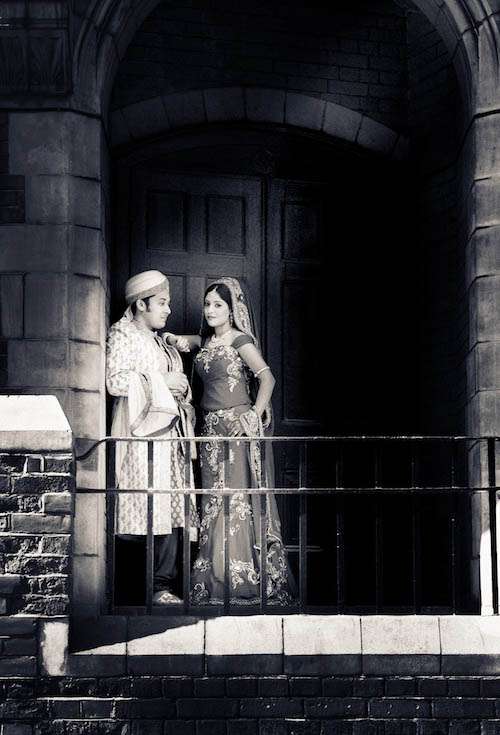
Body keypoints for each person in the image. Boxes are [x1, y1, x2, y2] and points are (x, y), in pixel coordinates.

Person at [165, 277, 295, 606]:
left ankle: (242, 580)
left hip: (236, 430)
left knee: (237, 501)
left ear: (232, 309)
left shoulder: (240, 340)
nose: (210, 310)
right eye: (207, 304)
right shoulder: (205, 341)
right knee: (214, 502)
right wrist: (166, 337)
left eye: (218, 305)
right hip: (210, 432)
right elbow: (179, 341)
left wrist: (252, 416)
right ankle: (213, 579)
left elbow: (267, 378)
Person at [106, 269, 198, 605]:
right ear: (141, 304)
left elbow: (173, 384)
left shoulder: (159, 341)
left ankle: (162, 586)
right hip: (139, 436)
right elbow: (115, 381)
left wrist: (181, 389)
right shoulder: (123, 333)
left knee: (170, 507)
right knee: (141, 506)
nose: (168, 310)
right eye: (161, 302)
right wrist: (162, 382)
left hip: (169, 437)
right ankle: (132, 590)